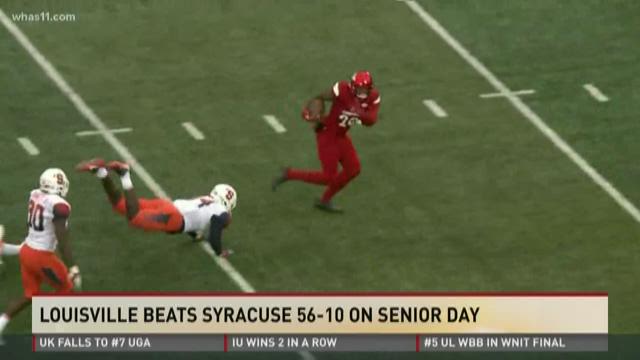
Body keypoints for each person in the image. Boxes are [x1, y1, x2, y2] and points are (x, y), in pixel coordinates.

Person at [76, 159, 236, 256]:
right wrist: (219, 252)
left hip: (168, 205)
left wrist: (195, 236)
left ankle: (102, 173)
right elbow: (214, 234)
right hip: (173, 216)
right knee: (135, 218)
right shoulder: (223, 214)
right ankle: (125, 174)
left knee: (120, 205)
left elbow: (194, 216)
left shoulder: (205, 199)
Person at [272, 71, 380, 212]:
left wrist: (358, 111)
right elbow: (320, 97)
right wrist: (315, 113)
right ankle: (289, 174)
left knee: (353, 169)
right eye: (359, 88)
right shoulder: (342, 89)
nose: (362, 91)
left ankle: (324, 201)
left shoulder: (373, 97)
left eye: (365, 89)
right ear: (353, 87)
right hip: (327, 134)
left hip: (341, 135)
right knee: (329, 176)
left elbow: (371, 121)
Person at [0, 168, 81, 344]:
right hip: (41, 256)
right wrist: (73, 266)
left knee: (31, 295)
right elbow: (62, 236)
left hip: (26, 250)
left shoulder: (35, 194)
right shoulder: (60, 205)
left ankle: (0, 324)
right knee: (66, 288)